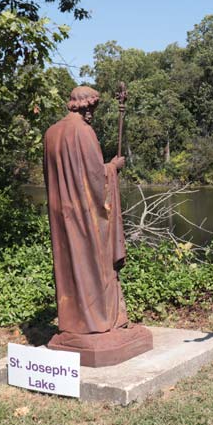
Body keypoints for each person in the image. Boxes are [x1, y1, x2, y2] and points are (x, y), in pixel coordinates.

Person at [43, 85, 152, 366]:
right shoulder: (83, 132)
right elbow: (95, 178)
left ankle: (73, 325)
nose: (92, 113)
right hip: (85, 217)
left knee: (71, 266)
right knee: (95, 265)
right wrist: (113, 167)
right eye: (90, 107)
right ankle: (100, 322)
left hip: (62, 217)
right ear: (81, 106)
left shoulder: (51, 133)